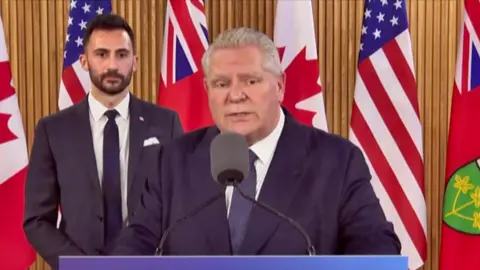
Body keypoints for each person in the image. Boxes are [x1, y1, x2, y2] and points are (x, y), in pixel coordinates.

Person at [112, 27, 401, 256]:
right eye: (222, 83)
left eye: (250, 81)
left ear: (280, 86)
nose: (235, 95)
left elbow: (376, 248)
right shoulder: (171, 163)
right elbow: (133, 249)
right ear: (207, 89)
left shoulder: (337, 161)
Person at [23, 14, 183, 269]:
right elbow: (37, 220)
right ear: (84, 61)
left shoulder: (166, 123)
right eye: (101, 54)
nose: (112, 65)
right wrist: (80, 266)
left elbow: (180, 208)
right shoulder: (52, 130)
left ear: (135, 62)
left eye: (121, 54)